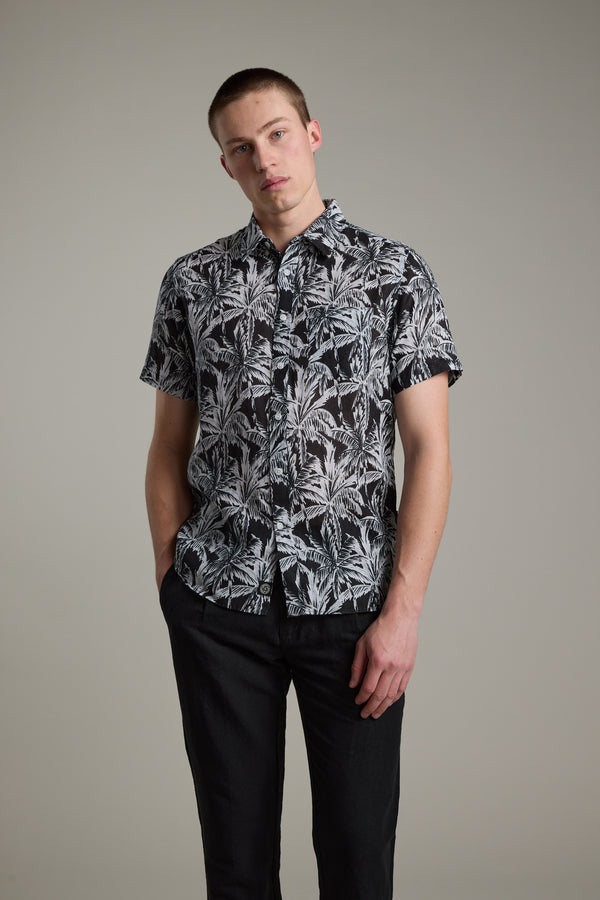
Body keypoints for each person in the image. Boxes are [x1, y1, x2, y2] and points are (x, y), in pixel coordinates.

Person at [140, 68, 462, 900]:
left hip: (354, 610)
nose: (265, 158)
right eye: (241, 148)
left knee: (358, 859)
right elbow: (169, 445)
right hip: (219, 608)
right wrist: (173, 580)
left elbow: (428, 449)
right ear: (226, 167)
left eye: (277, 134)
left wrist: (403, 613)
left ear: (312, 135)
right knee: (237, 860)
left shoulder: (394, 274)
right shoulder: (191, 283)